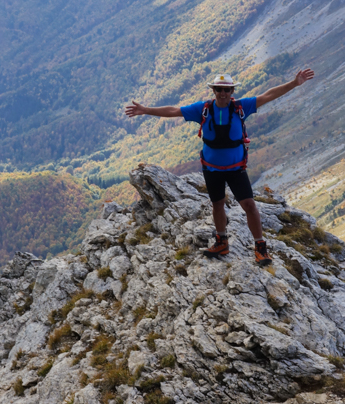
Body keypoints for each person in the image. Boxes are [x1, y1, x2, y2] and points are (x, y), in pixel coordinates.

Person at [125, 69, 315, 265]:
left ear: (232, 91)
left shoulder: (242, 107)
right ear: (213, 90)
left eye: (226, 90)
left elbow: (268, 95)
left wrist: (293, 83)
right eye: (218, 89)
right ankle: (221, 241)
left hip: (236, 169)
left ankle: (260, 247)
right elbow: (174, 111)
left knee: (249, 205)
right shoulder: (203, 109)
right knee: (217, 204)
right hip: (212, 169)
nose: (223, 93)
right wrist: (146, 110)